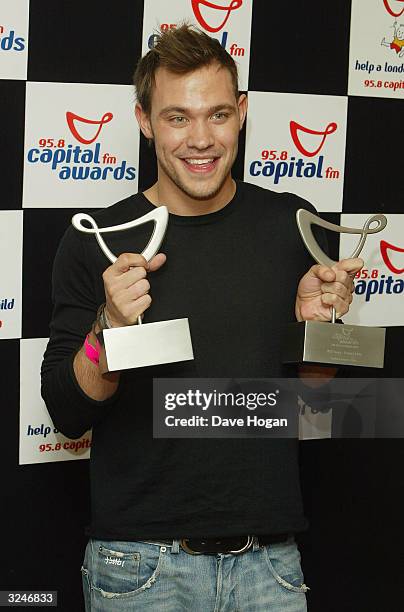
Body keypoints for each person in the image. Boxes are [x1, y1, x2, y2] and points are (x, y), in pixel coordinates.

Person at [41, 25, 362, 612]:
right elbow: (65, 413)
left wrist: (321, 330)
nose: (201, 139)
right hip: (140, 570)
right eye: (177, 117)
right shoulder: (100, 239)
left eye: (217, 114)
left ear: (242, 113)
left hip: (271, 567)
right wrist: (107, 330)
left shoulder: (294, 227)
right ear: (144, 121)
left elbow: (313, 406)